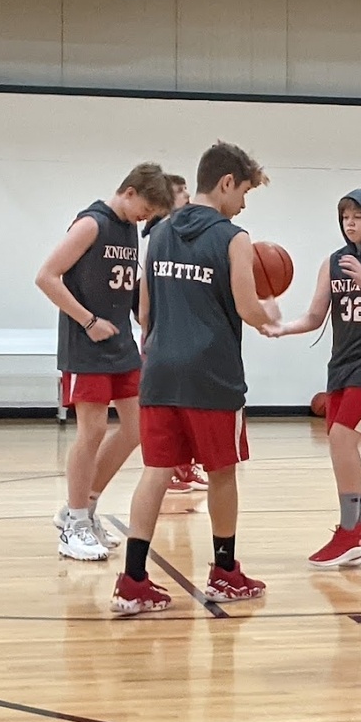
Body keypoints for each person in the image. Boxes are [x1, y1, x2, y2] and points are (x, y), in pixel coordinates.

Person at [111, 141, 278, 613]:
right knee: (222, 471)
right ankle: (225, 572)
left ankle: (133, 580)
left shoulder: (158, 232)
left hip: (160, 369)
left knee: (155, 472)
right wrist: (273, 317)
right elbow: (248, 307)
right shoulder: (233, 236)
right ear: (226, 183)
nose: (243, 203)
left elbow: (143, 309)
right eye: (243, 191)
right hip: (211, 374)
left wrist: (162, 346)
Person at [36, 163, 171, 562]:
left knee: (136, 429)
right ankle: (74, 523)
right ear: (129, 192)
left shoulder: (129, 229)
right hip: (86, 344)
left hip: (120, 345)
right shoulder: (91, 224)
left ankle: (84, 506)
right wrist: (88, 320)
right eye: (145, 207)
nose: (146, 217)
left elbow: (125, 286)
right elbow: (46, 276)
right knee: (92, 430)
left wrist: (146, 322)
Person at [263, 189, 361, 567]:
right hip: (342, 364)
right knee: (339, 442)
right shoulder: (333, 262)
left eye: (357, 216)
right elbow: (315, 317)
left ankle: (351, 528)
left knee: (341, 439)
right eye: (344, 217)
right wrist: (282, 328)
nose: (349, 223)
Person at [136, 173, 208, 495]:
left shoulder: (173, 235)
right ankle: (175, 471)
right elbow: (144, 300)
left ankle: (183, 469)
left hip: (174, 338)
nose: (188, 198)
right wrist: (145, 330)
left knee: (181, 407)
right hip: (167, 338)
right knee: (170, 411)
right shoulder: (161, 237)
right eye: (181, 193)